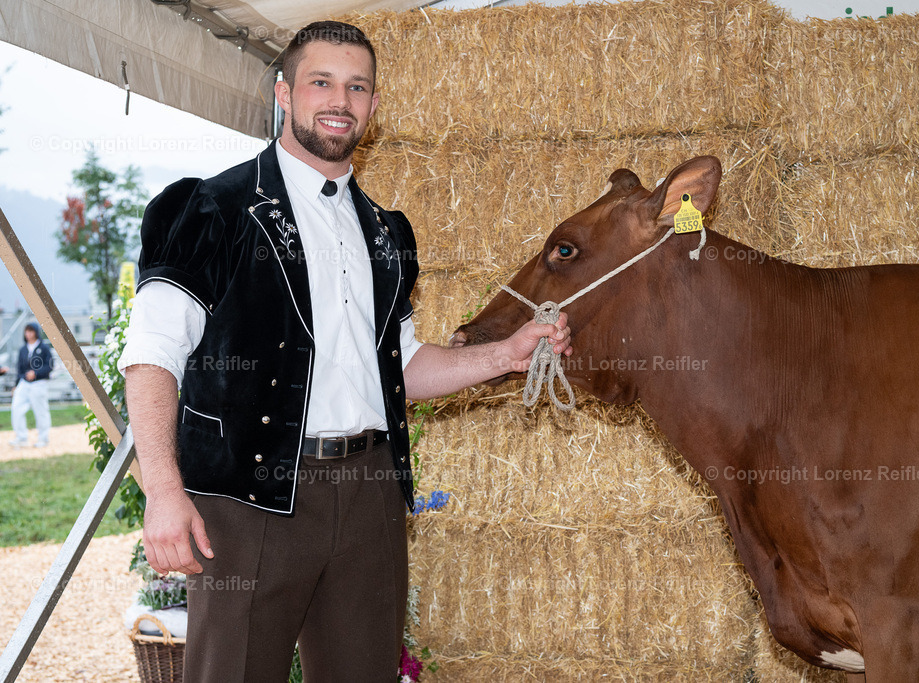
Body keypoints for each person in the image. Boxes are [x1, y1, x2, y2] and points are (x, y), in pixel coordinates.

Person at [117, 20, 571, 683]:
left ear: (374, 106)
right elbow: (151, 354)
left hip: (370, 495)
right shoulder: (210, 208)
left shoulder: (388, 232)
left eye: (357, 86)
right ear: (283, 93)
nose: (340, 100)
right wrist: (162, 489)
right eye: (321, 82)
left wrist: (505, 354)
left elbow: (403, 368)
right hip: (248, 500)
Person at [8, 322, 53, 448]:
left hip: (39, 384)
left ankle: (43, 439)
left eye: (31, 331)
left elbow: (49, 366)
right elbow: (19, 369)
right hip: (24, 383)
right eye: (27, 331)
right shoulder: (23, 349)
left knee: (41, 411)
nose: (28, 334)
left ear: (36, 332)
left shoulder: (44, 348)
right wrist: (16, 385)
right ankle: (21, 437)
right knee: (16, 408)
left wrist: (36, 373)